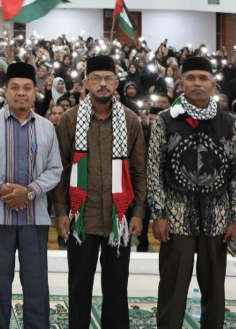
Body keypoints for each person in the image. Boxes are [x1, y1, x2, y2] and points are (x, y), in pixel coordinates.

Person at [148, 56, 236, 329]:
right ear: (181, 84)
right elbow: (154, 168)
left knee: (214, 289)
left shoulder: (228, 122)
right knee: (172, 288)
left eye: (203, 78)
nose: (197, 83)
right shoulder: (166, 120)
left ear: (213, 85)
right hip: (176, 217)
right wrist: (158, 214)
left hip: (218, 218)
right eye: (191, 78)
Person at [53, 54, 147, 329]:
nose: (102, 84)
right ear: (86, 83)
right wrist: (61, 212)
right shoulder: (69, 120)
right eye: (96, 79)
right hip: (80, 218)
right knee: (79, 288)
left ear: (116, 83)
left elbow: (139, 171)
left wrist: (138, 212)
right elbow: (61, 170)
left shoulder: (130, 120)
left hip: (119, 217)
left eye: (108, 79)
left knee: (117, 290)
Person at [0, 61, 62, 329]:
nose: (21, 93)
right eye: (15, 88)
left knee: (36, 282)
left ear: (35, 92)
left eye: (26, 88)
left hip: (34, 217)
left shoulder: (46, 127)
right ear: (5, 91)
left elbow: (55, 169)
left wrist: (29, 192)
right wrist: (2, 188)